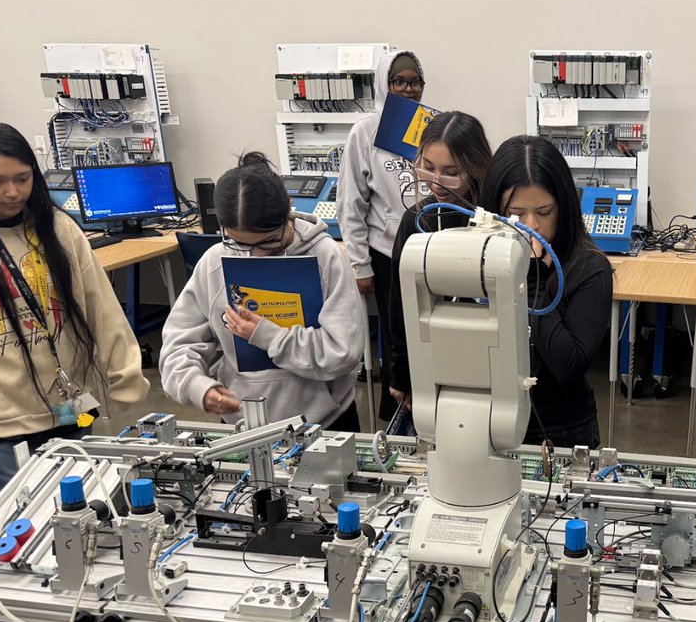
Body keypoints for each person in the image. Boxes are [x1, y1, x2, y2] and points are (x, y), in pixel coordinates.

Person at [0, 122, 148, 489]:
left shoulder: (57, 228)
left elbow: (100, 306)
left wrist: (125, 378)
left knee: (79, 511)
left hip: (67, 406)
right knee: (26, 521)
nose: (12, 192)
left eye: (22, 178)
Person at [160, 152, 365, 430]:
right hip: (243, 421)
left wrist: (268, 337)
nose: (256, 255)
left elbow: (343, 353)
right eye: (239, 244)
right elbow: (179, 344)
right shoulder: (214, 261)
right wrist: (197, 387)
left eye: (269, 243)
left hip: (324, 421)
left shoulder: (325, 256)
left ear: (289, 209)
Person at [478, 136, 613, 448]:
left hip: (560, 430)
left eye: (544, 211)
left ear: (563, 206)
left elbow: (569, 366)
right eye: (515, 213)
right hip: (487, 420)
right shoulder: (480, 258)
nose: (531, 225)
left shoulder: (589, 269)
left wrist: (532, 278)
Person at [337, 49, 427, 419]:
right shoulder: (365, 133)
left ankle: (426, 409)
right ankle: (395, 416)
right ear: (384, 85)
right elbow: (350, 204)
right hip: (387, 254)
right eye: (399, 81)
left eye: (415, 81)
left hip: (427, 249)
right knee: (395, 337)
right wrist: (360, 266)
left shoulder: (428, 126)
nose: (408, 89)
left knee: (427, 334)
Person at [387, 111, 493, 410]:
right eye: (427, 167)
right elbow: (401, 304)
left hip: (491, 354)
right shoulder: (416, 220)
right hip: (435, 358)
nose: (436, 183)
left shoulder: (496, 215)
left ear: (475, 167)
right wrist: (401, 374)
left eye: (450, 171)